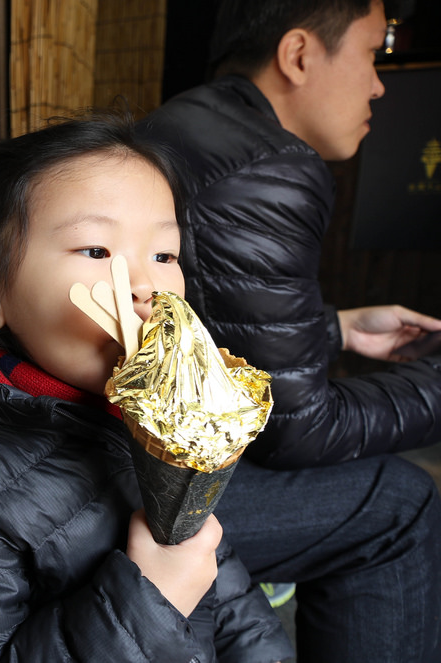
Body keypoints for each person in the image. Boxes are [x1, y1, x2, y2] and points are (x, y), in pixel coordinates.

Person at [0, 113, 296, 662]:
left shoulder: (145, 417)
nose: (143, 287)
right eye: (96, 251)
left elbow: (227, 599)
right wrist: (154, 598)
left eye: (164, 255)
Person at [138, 1, 441, 659]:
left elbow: (211, 334)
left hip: (122, 448)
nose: (380, 82)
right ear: (299, 54)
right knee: (401, 502)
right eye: (369, 53)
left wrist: (332, 329)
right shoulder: (266, 164)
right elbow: (297, 431)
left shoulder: (188, 118)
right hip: (135, 490)